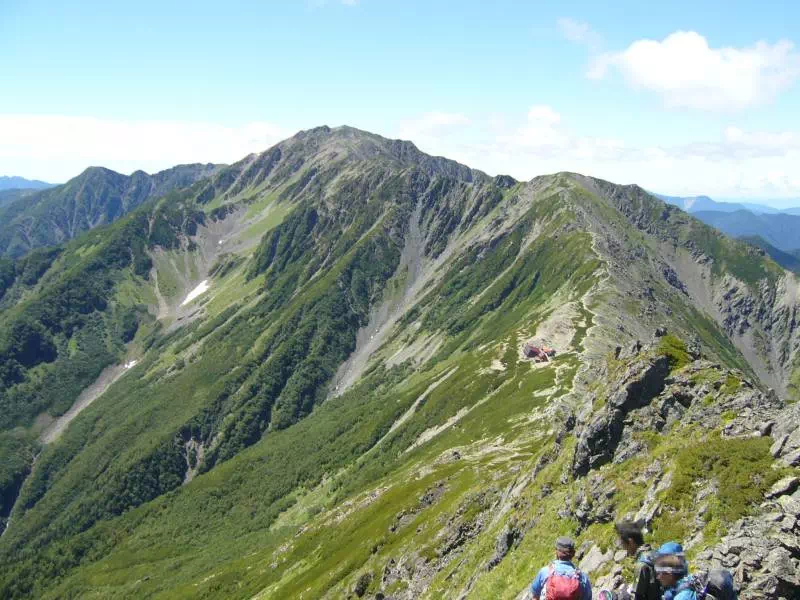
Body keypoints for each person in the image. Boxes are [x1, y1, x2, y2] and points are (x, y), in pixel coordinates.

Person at [615, 520, 660, 600]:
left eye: (624, 544)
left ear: (631, 542)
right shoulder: (654, 553)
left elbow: (637, 596)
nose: (625, 550)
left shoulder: (641, 565)